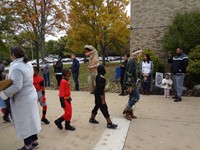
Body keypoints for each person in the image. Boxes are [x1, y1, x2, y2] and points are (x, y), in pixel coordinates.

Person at [0, 46, 41, 150]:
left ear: (13, 55)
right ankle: (35, 142)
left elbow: (17, 86)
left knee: (24, 121)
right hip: (30, 95)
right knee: (31, 119)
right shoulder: (27, 63)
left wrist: (3, 94)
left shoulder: (17, 66)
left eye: (10, 54)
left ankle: (28, 146)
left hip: (23, 98)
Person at [89, 65, 118, 129]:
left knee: (97, 106)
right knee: (104, 107)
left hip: (96, 93)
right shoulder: (102, 79)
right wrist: (103, 100)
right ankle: (109, 123)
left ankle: (92, 119)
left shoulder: (97, 76)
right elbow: (101, 91)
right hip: (99, 94)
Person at [123, 52, 140, 120]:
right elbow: (129, 74)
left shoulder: (134, 61)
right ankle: (127, 110)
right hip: (130, 83)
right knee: (136, 97)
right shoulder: (132, 62)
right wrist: (129, 85)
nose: (141, 55)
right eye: (140, 53)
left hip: (133, 83)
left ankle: (129, 113)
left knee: (132, 97)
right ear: (136, 54)